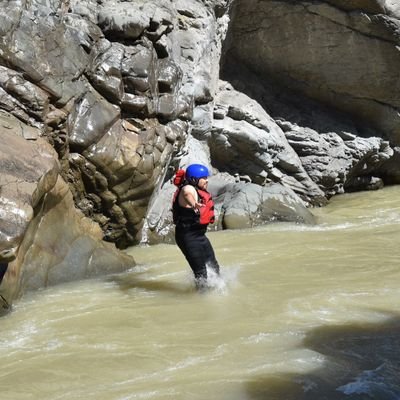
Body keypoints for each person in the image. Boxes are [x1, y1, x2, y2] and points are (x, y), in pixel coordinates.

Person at [172, 164, 220, 289]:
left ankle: (219, 288)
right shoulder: (188, 188)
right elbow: (187, 194)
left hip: (199, 235)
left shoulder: (198, 189)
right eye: (203, 178)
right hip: (187, 236)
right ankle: (203, 297)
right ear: (194, 179)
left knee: (214, 266)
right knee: (201, 272)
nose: (207, 180)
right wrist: (194, 204)